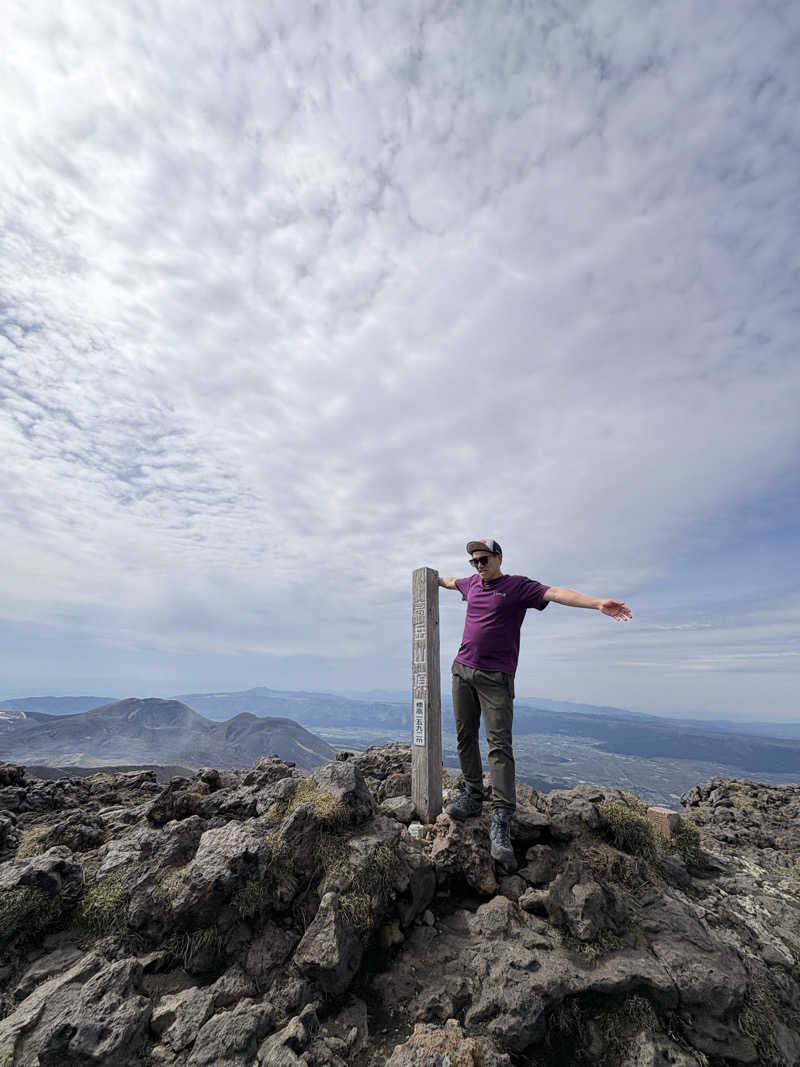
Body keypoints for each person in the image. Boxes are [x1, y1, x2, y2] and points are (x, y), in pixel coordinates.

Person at [438, 538, 632, 867]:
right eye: (474, 561)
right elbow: (449, 581)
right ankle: (472, 795)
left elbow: (556, 593)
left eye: (484, 559)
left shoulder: (517, 587)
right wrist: (428, 577)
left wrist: (597, 602)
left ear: (498, 557)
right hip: (462, 672)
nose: (479, 566)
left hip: (496, 678)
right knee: (464, 735)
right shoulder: (471, 583)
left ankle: (501, 818)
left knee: (499, 746)